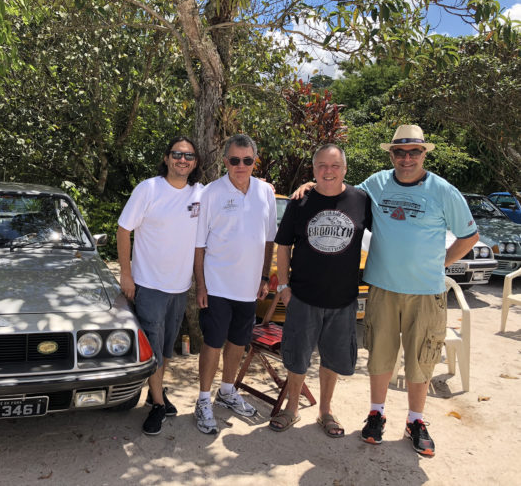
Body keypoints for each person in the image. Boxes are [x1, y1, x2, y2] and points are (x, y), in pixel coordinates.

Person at [292, 125, 478, 456]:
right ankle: (376, 414)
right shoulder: (375, 185)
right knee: (380, 354)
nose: (406, 158)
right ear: (391, 154)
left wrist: (439, 265)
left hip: (426, 291)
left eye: (414, 152)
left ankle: (415, 421)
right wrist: (310, 184)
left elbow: (469, 237)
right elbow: (337, 191)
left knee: (421, 357)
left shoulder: (443, 190)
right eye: (399, 152)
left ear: (424, 154)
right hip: (382, 287)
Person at [268, 144, 371, 437]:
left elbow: (387, 235)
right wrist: (285, 286)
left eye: (335, 166)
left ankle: (325, 411)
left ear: (345, 170)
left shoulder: (361, 200)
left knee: (333, 358)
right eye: (322, 166)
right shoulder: (300, 203)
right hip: (303, 296)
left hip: (343, 298)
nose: (328, 171)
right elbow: (284, 246)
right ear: (313, 171)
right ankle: (292, 408)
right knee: (297, 356)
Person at [117, 136, 203, 436]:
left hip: (180, 288)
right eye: (177, 154)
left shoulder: (200, 194)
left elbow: (234, 188)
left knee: (166, 349)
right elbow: (123, 229)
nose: (183, 160)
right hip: (149, 286)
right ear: (167, 158)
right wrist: (126, 275)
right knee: (153, 349)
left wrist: (266, 186)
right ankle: (156, 404)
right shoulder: (149, 189)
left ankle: (157, 393)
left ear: (195, 162)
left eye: (189, 156)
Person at [193, 134, 277, 435]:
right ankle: (203, 400)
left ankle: (227, 392)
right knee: (213, 342)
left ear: (255, 161)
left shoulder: (266, 192)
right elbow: (199, 245)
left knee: (238, 343)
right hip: (216, 286)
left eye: (247, 160)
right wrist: (200, 286)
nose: (240, 166)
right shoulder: (211, 193)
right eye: (234, 160)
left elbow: (269, 240)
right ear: (225, 161)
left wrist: (265, 276)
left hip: (249, 288)